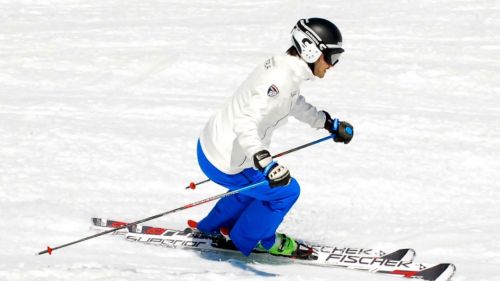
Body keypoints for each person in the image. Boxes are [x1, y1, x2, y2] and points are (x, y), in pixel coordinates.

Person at [195, 18, 354, 257]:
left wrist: (327, 123)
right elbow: (245, 122)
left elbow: (292, 103)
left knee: (257, 186)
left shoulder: (285, 69)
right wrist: (265, 162)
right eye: (332, 57)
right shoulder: (280, 80)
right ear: (311, 50)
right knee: (286, 191)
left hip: (213, 146)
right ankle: (255, 239)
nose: (332, 65)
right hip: (227, 160)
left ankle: (213, 225)